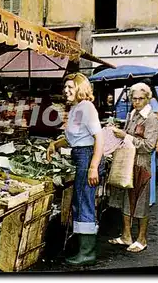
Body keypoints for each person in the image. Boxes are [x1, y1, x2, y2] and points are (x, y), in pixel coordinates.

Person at [46, 73, 104, 266]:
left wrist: (93, 166)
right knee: (79, 202)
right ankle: (82, 248)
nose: (66, 91)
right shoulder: (75, 109)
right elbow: (73, 139)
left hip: (87, 157)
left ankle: (87, 253)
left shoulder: (86, 108)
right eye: (65, 87)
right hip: (81, 156)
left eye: (71, 87)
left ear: (81, 88)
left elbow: (99, 138)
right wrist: (55, 144)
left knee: (84, 203)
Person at [108, 83, 158, 253]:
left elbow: (149, 146)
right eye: (134, 98)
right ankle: (126, 236)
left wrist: (126, 136)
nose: (136, 102)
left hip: (141, 164)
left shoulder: (151, 118)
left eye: (140, 99)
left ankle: (142, 239)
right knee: (126, 198)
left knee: (140, 201)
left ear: (148, 99)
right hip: (128, 162)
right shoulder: (133, 114)